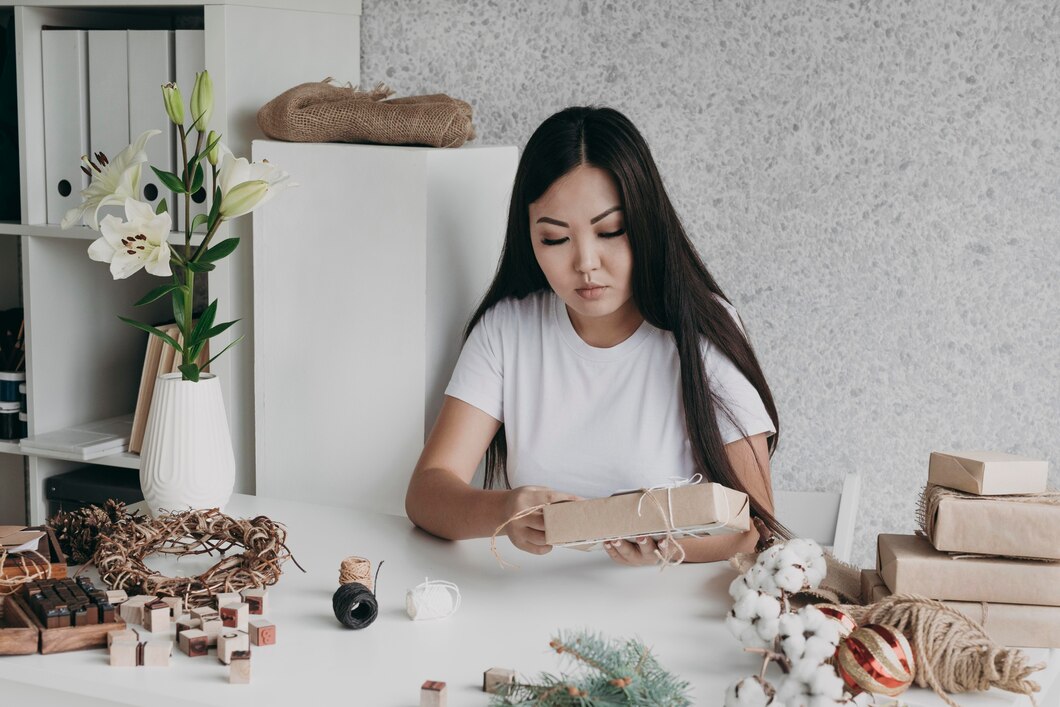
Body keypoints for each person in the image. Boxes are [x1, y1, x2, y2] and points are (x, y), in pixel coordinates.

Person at [405, 106, 782, 565]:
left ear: (645, 222)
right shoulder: (509, 329)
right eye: (555, 239)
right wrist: (505, 509)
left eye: (610, 231)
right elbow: (428, 492)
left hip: (661, 608)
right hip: (530, 606)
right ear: (529, 238)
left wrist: (671, 549)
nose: (585, 262)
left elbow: (753, 523)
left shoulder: (702, 330)